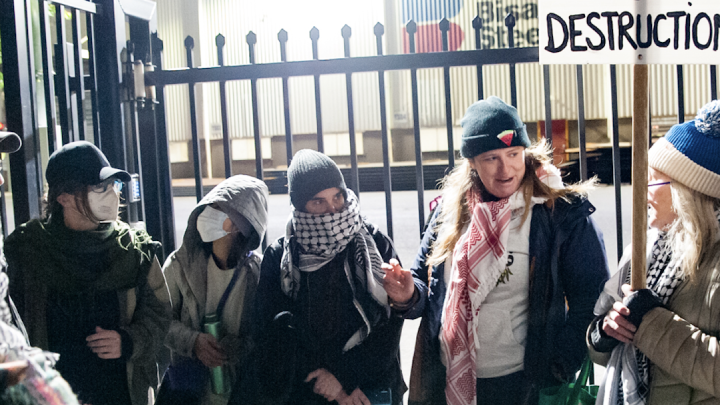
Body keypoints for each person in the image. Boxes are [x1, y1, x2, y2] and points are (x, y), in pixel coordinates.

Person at [388, 97, 610, 405]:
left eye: (514, 153)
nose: (506, 169)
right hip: (448, 378)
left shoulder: (558, 213)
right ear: (473, 163)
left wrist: (560, 363)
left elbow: (591, 296)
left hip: (521, 384)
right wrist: (406, 294)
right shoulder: (449, 214)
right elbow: (424, 289)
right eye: (492, 157)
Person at [5, 141, 172, 405]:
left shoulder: (134, 249)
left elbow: (161, 315)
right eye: (99, 188)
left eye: (113, 187)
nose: (113, 195)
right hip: (53, 393)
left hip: (120, 392)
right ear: (63, 197)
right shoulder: (27, 250)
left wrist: (129, 341)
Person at [253, 149, 411, 405]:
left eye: (338, 196)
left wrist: (343, 377)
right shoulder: (281, 256)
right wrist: (328, 382)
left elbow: (390, 322)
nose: (333, 210)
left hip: (369, 386)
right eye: (318, 202)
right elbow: (272, 333)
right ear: (300, 205)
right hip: (310, 390)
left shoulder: (373, 242)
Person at [589, 99, 720, 404]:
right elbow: (601, 338)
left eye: (654, 178)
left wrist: (649, 322)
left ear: (687, 191)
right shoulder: (645, 248)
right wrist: (606, 334)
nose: (641, 189)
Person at [160, 175, 268, 405]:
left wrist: (238, 348)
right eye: (210, 205)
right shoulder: (179, 265)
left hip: (241, 393)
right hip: (190, 392)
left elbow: (266, 336)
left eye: (219, 208)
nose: (208, 213)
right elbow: (158, 319)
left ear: (240, 225)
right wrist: (192, 341)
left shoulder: (258, 274)